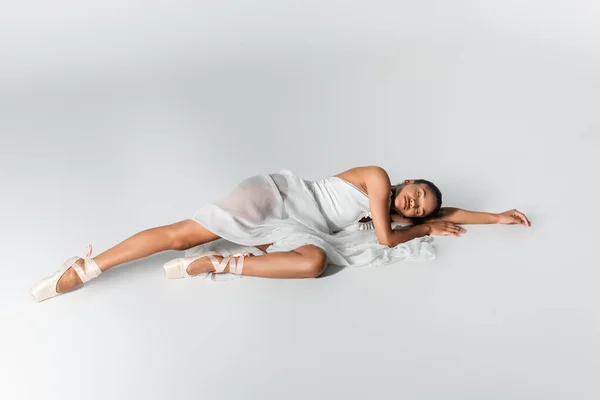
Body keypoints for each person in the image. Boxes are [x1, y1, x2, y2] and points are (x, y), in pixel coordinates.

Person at [30, 165, 531, 302]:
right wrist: (423, 230)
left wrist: (497, 217)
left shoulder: (401, 214)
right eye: (418, 194)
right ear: (410, 179)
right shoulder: (378, 179)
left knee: (315, 264)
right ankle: (88, 266)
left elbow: (454, 210)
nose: (414, 204)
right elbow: (383, 239)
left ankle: (219, 265)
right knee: (183, 233)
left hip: (300, 228)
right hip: (277, 198)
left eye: (419, 209)